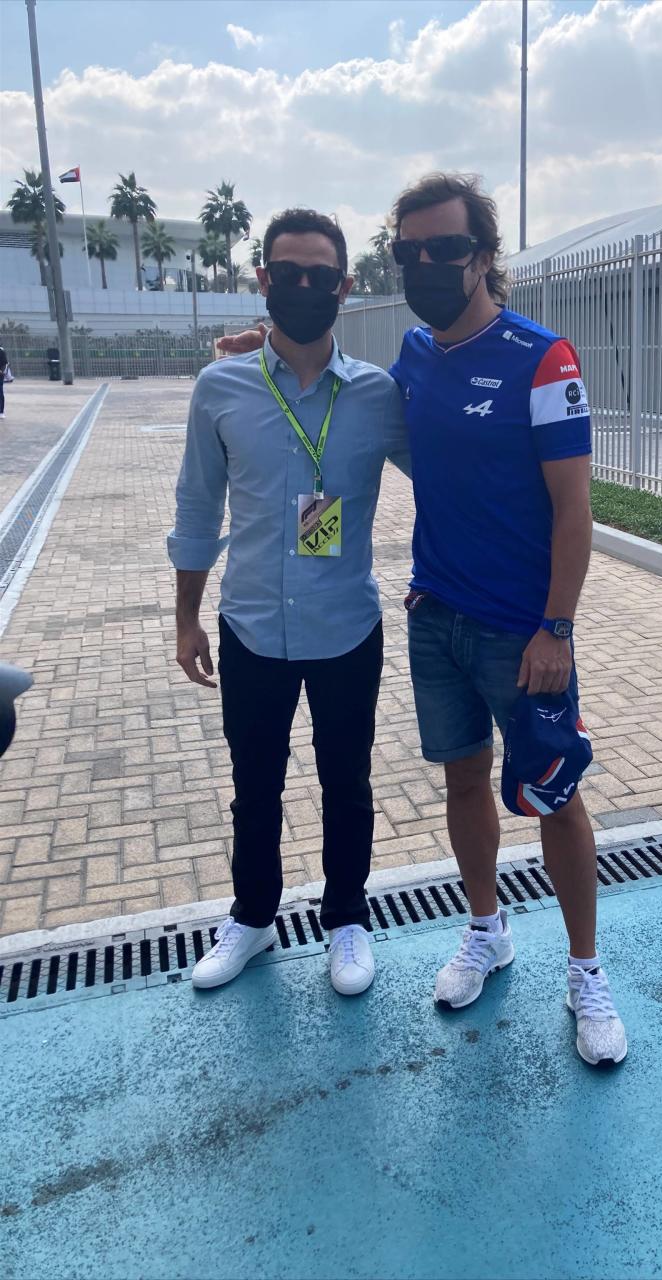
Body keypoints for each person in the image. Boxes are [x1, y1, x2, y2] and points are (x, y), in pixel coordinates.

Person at [219, 175, 627, 1067]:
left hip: (525, 634)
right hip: (434, 617)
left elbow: (574, 513)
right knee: (465, 786)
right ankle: (488, 930)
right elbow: (337, 388)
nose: (430, 265)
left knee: (556, 799)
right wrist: (268, 347)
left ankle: (588, 972)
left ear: (485, 254)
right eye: (411, 253)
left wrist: (557, 628)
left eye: (447, 249)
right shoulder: (414, 355)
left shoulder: (543, 357)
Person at [169, 208, 409, 995]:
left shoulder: (378, 396)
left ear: (344, 286)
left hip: (347, 627)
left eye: (320, 276)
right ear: (264, 280)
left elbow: (450, 479)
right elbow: (198, 509)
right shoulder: (220, 387)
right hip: (251, 628)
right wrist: (186, 618)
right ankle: (252, 918)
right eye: (288, 273)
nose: (304, 287)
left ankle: (346, 919)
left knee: (348, 782)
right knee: (256, 784)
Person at [0, 345, 8, 419]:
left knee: (0, 393)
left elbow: (4, 364)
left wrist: (1, 371)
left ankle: (1, 412)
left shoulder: (1, 351)